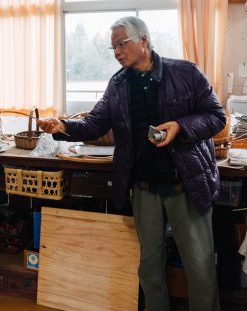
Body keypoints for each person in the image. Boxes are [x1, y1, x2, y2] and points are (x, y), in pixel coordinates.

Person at [38, 16, 225, 311]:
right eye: (112, 48)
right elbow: (95, 124)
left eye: (121, 44)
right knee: (149, 268)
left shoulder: (185, 73)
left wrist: (179, 126)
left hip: (185, 184)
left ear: (144, 41)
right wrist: (60, 126)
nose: (117, 52)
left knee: (199, 267)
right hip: (144, 188)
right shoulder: (118, 84)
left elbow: (217, 116)